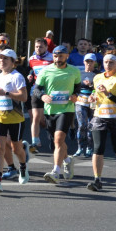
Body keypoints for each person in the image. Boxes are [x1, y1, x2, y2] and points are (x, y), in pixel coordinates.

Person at [35, 45, 81, 184]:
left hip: (66, 109)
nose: (57, 59)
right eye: (55, 56)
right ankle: (67, 160)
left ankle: (56, 171)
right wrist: (42, 96)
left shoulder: (74, 71)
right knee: (56, 143)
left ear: (67, 56)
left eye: (61, 56)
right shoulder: (46, 71)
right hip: (50, 111)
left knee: (59, 139)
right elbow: (37, 90)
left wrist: (75, 95)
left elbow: (78, 88)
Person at [86, 54, 116, 192]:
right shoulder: (97, 77)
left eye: (111, 62)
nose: (108, 65)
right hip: (100, 116)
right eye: (105, 62)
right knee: (98, 148)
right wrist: (92, 98)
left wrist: (108, 94)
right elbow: (95, 93)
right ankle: (97, 179)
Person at [0, 48, 30, 192]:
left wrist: (6, 93)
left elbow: (24, 97)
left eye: (5, 59)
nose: (2, 61)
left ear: (13, 62)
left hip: (15, 118)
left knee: (16, 149)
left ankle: (23, 167)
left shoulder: (17, 76)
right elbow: (0, 95)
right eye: (0, 58)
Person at [25, 37, 54, 153]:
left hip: (49, 91)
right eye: (36, 47)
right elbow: (31, 70)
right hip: (36, 90)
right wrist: (30, 75)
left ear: (46, 47)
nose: (38, 49)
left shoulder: (52, 58)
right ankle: (35, 142)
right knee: (35, 117)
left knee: (46, 120)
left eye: (41, 47)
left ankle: (51, 135)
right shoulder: (31, 59)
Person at [71, 53, 98, 157]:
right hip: (80, 101)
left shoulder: (98, 75)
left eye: (91, 61)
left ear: (94, 63)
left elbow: (100, 88)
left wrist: (91, 86)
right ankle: (80, 147)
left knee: (91, 126)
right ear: (84, 62)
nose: (89, 63)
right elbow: (75, 87)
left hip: (93, 103)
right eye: (87, 61)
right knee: (82, 125)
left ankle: (89, 148)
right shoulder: (79, 73)